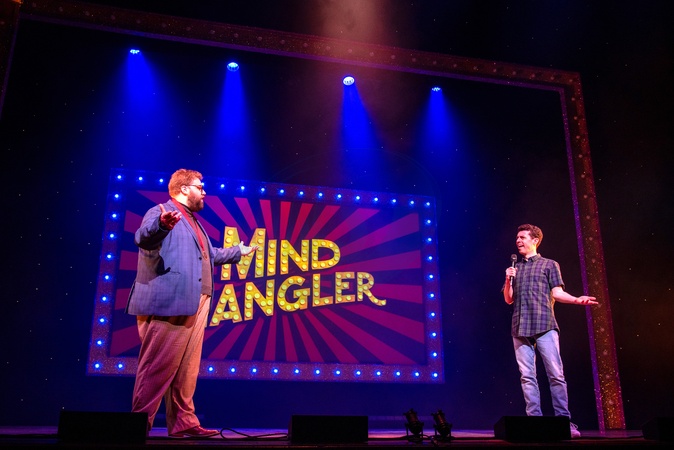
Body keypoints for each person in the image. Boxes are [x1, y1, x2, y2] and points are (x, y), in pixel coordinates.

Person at [125, 168, 257, 438]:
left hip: (198, 299)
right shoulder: (161, 211)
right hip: (171, 300)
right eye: (200, 186)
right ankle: (138, 425)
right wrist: (162, 225)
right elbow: (143, 238)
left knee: (187, 368)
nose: (204, 192)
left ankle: (183, 422)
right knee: (157, 365)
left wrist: (238, 252)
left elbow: (209, 255)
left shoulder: (193, 221)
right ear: (184, 189)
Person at [503, 224, 598, 439]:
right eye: (517, 237)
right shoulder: (514, 269)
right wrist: (508, 278)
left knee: (555, 374)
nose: (518, 241)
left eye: (522, 237)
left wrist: (576, 300)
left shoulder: (549, 264)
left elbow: (557, 293)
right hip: (520, 327)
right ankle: (535, 422)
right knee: (527, 377)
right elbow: (508, 299)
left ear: (535, 240)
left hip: (544, 324)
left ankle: (564, 422)